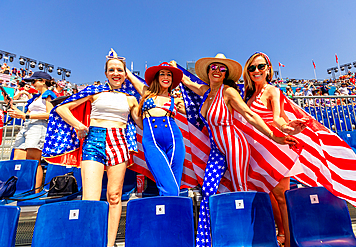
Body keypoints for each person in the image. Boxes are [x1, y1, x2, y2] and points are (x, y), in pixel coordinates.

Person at [174, 54, 298, 247]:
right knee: (208, 189)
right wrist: (175, 69)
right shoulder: (206, 92)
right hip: (217, 149)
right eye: (213, 67)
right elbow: (189, 82)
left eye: (221, 68)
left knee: (240, 188)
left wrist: (274, 136)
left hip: (234, 145)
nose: (217, 70)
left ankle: (249, 239)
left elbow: (249, 115)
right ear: (208, 72)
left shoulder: (228, 92)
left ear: (225, 74)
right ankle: (208, 241)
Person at [44, 49, 141, 247]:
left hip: (119, 140)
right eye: (112, 70)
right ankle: (91, 242)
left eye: (120, 70)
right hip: (94, 139)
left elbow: (140, 123)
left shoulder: (130, 99)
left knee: (114, 196)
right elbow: (62, 108)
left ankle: (109, 243)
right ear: (105, 73)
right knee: (90, 197)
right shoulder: (94, 92)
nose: (116, 73)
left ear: (125, 73)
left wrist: (132, 76)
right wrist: (79, 125)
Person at [243, 52, 309, 247]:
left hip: (274, 149)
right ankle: (281, 235)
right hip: (257, 151)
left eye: (260, 66)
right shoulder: (249, 95)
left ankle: (289, 242)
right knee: (270, 196)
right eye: (252, 68)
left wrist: (287, 128)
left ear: (268, 69)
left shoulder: (272, 91)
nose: (256, 71)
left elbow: (278, 118)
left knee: (281, 198)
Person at [126, 62, 186, 196]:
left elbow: (197, 114)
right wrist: (119, 61)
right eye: (162, 74)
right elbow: (129, 76)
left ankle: (169, 215)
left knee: (173, 184)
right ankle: (172, 214)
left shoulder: (176, 100)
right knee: (168, 186)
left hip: (175, 142)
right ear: (156, 78)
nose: (166, 77)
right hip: (152, 143)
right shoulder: (147, 93)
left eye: (169, 74)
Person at [4, 71, 57, 193]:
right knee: (18, 160)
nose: (32, 84)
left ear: (43, 81)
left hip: (38, 127)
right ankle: (19, 190)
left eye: (34, 81)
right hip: (27, 127)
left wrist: (26, 116)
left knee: (33, 161)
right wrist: (10, 105)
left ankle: (35, 192)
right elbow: (24, 115)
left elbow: (50, 115)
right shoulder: (35, 97)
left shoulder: (48, 95)